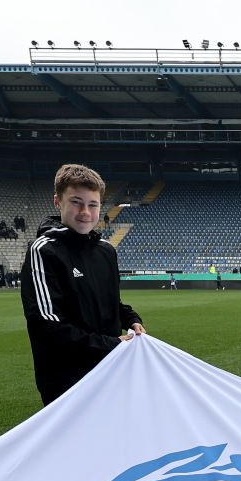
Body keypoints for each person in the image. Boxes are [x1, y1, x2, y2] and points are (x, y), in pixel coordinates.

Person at [20, 163, 145, 406]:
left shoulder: (106, 251)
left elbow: (110, 303)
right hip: (67, 381)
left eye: (92, 204)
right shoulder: (44, 251)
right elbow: (47, 326)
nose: (85, 212)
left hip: (111, 371)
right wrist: (111, 344)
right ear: (58, 201)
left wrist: (131, 320)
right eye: (76, 202)